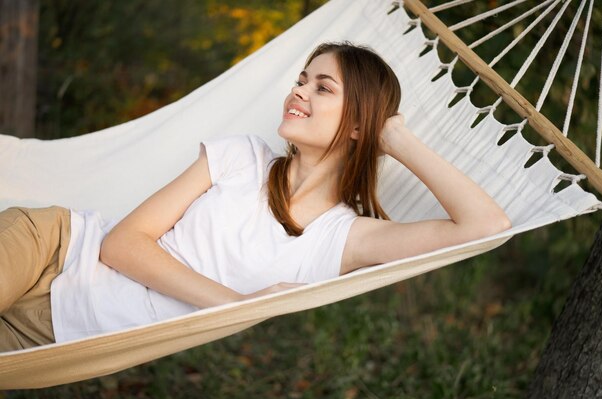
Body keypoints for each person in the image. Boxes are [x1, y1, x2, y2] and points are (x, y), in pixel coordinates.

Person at [0, 42, 511, 352]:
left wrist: (394, 138)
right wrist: (236, 306)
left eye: (322, 88)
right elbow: (121, 245)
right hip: (56, 247)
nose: (299, 92)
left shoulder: (343, 239)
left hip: (57, 336)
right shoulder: (241, 157)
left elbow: (484, 226)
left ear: (358, 123)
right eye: (301, 80)